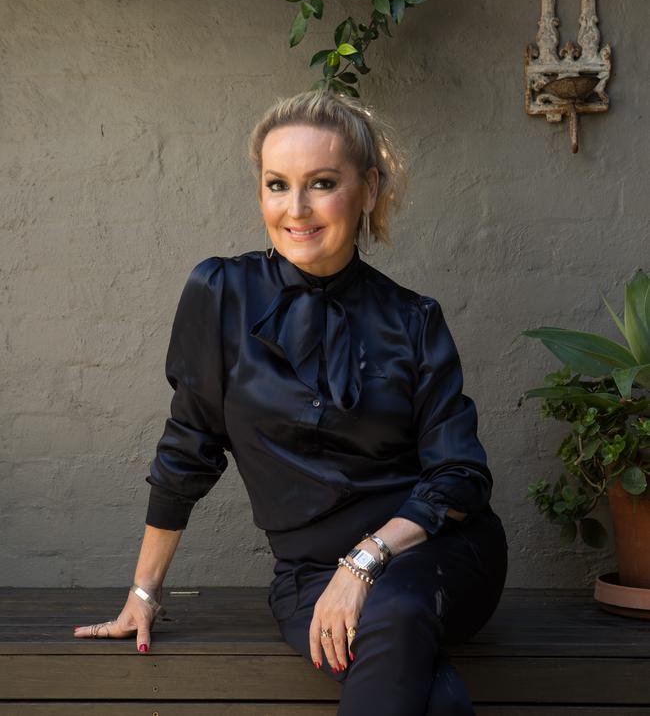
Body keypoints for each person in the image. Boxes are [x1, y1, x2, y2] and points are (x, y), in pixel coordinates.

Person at [73, 89, 508, 715]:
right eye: (277, 184)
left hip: (434, 558)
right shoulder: (220, 292)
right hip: (310, 577)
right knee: (428, 688)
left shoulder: (414, 319)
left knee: (400, 606)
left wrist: (364, 562)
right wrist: (144, 591)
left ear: (368, 187)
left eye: (322, 182)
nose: (296, 209)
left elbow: (461, 476)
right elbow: (190, 444)